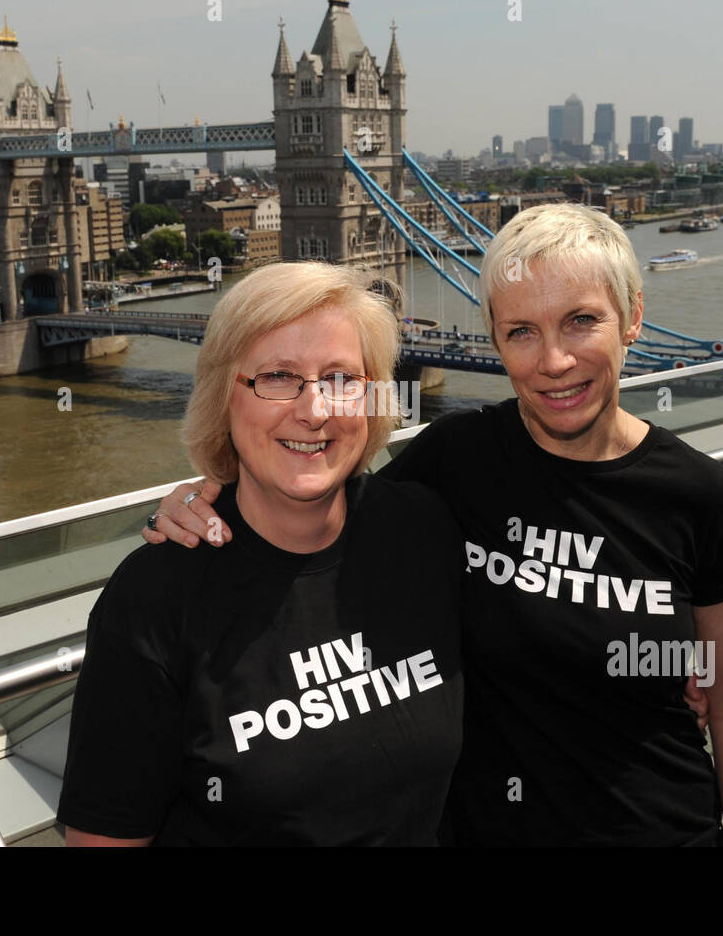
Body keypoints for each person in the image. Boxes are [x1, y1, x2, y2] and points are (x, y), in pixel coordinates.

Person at [146, 204, 723, 846]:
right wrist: (209, 495)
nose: (554, 361)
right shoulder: (455, 459)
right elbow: (315, 513)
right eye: (521, 331)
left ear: (633, 316)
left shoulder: (703, 498)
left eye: (581, 320)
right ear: (496, 340)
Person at [58, 262, 464, 846]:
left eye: (341, 378)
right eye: (277, 377)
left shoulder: (425, 530)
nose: (314, 410)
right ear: (225, 395)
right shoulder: (157, 595)